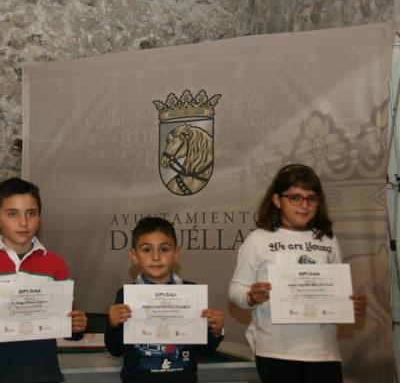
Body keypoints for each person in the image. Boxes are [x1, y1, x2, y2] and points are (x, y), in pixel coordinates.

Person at [228, 163, 367, 383]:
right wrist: (251, 296)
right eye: (295, 198)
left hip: (324, 353)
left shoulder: (328, 239)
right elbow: (236, 291)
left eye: (311, 198)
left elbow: (337, 292)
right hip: (276, 352)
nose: (304, 206)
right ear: (277, 200)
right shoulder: (258, 240)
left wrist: (349, 305)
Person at [0, 177, 88, 383]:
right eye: (12, 214)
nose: (23, 222)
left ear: (39, 219)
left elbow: (67, 323)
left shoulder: (56, 265)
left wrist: (77, 326)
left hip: (43, 373)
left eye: (31, 214)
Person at [104, 216, 225, 383]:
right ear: (133, 255)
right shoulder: (125, 294)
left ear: (176, 253)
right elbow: (115, 349)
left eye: (164, 249)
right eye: (147, 250)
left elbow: (205, 350)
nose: (156, 257)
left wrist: (216, 331)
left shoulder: (191, 293)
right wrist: (112, 324)